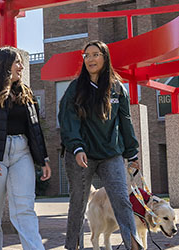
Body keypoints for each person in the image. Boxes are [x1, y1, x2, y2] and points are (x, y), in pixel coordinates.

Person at [58, 40, 144, 250]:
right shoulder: (75, 88)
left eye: (95, 54)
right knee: (78, 203)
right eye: (86, 56)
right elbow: (68, 120)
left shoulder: (117, 88)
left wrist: (132, 154)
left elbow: (126, 122)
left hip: (110, 154)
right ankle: (73, 246)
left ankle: (134, 245)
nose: (90, 59)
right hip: (81, 155)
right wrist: (77, 147)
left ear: (104, 57)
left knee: (122, 200)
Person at [0, 47, 53, 250]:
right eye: (17, 62)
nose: (21, 66)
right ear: (4, 65)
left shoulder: (27, 94)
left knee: (25, 209)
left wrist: (44, 159)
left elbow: (35, 128)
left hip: (21, 152)